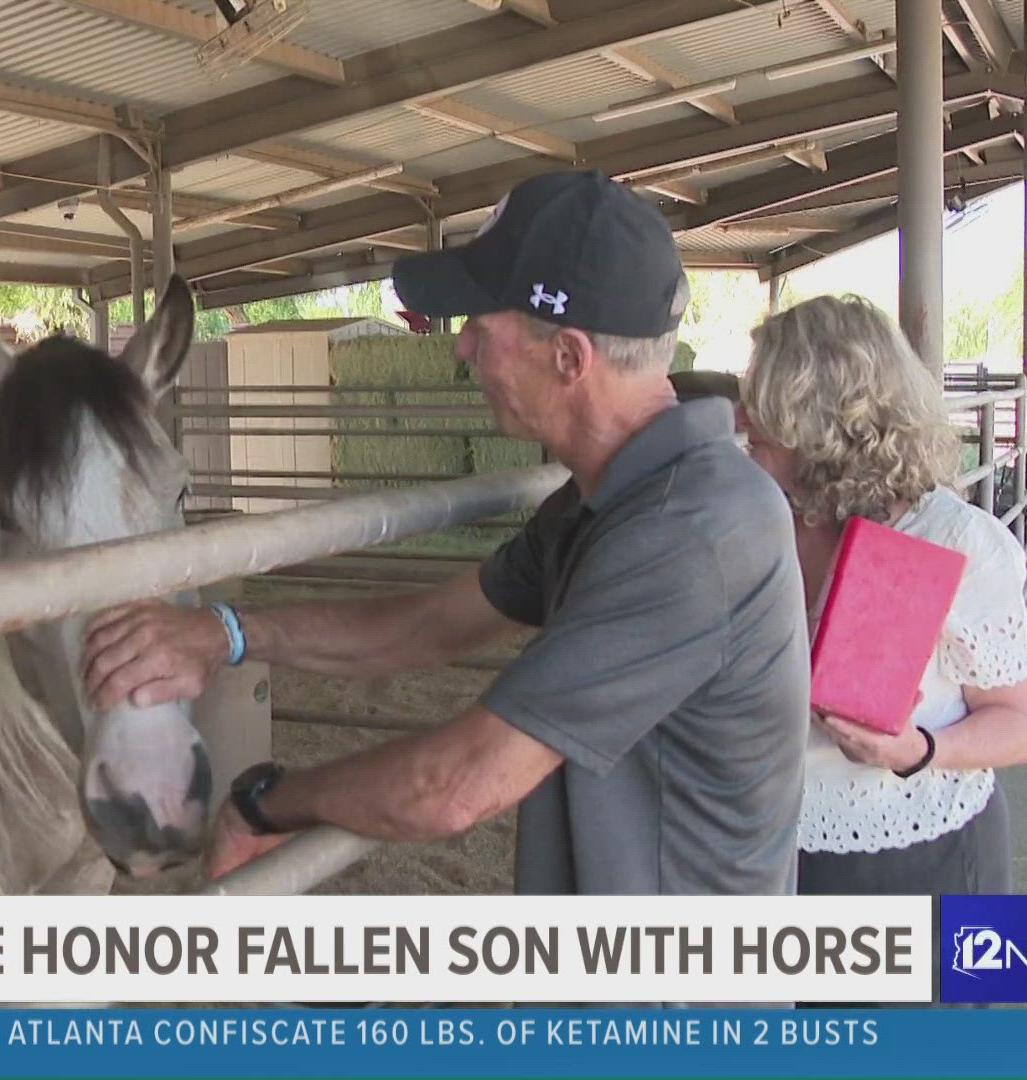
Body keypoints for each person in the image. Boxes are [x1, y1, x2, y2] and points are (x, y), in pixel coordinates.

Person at [77, 169, 810, 898]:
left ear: (568, 359)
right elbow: (429, 625)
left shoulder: (687, 533)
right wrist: (225, 634)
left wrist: (268, 803)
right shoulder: (614, 497)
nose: (461, 351)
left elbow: (457, 785)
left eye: (480, 330)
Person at [734, 294, 1027, 899]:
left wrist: (915, 749)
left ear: (823, 417)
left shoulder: (953, 541)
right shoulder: (756, 516)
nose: (745, 420)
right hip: (768, 851)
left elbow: (1020, 726)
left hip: (915, 855)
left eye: (763, 402)